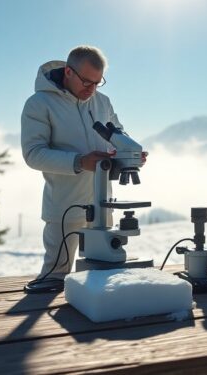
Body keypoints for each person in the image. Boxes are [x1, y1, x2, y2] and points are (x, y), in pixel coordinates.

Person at [21, 46, 147, 283]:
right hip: (64, 207)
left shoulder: (103, 102)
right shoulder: (39, 104)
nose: (92, 90)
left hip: (102, 206)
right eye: (87, 82)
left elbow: (118, 133)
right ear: (68, 72)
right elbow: (33, 154)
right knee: (54, 277)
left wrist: (129, 153)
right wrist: (79, 162)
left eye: (98, 83)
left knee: (103, 277)